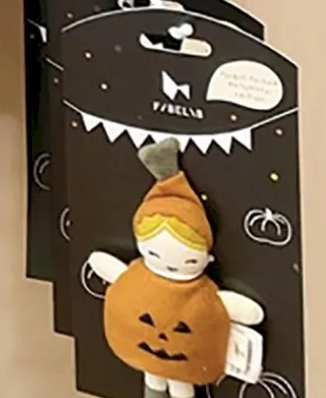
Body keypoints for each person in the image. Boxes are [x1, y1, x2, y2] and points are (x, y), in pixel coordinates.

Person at [89, 139, 265, 398]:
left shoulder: (195, 292)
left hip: (183, 363)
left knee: (178, 382)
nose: (162, 338)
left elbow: (245, 311)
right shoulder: (141, 276)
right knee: (156, 375)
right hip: (149, 356)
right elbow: (102, 264)